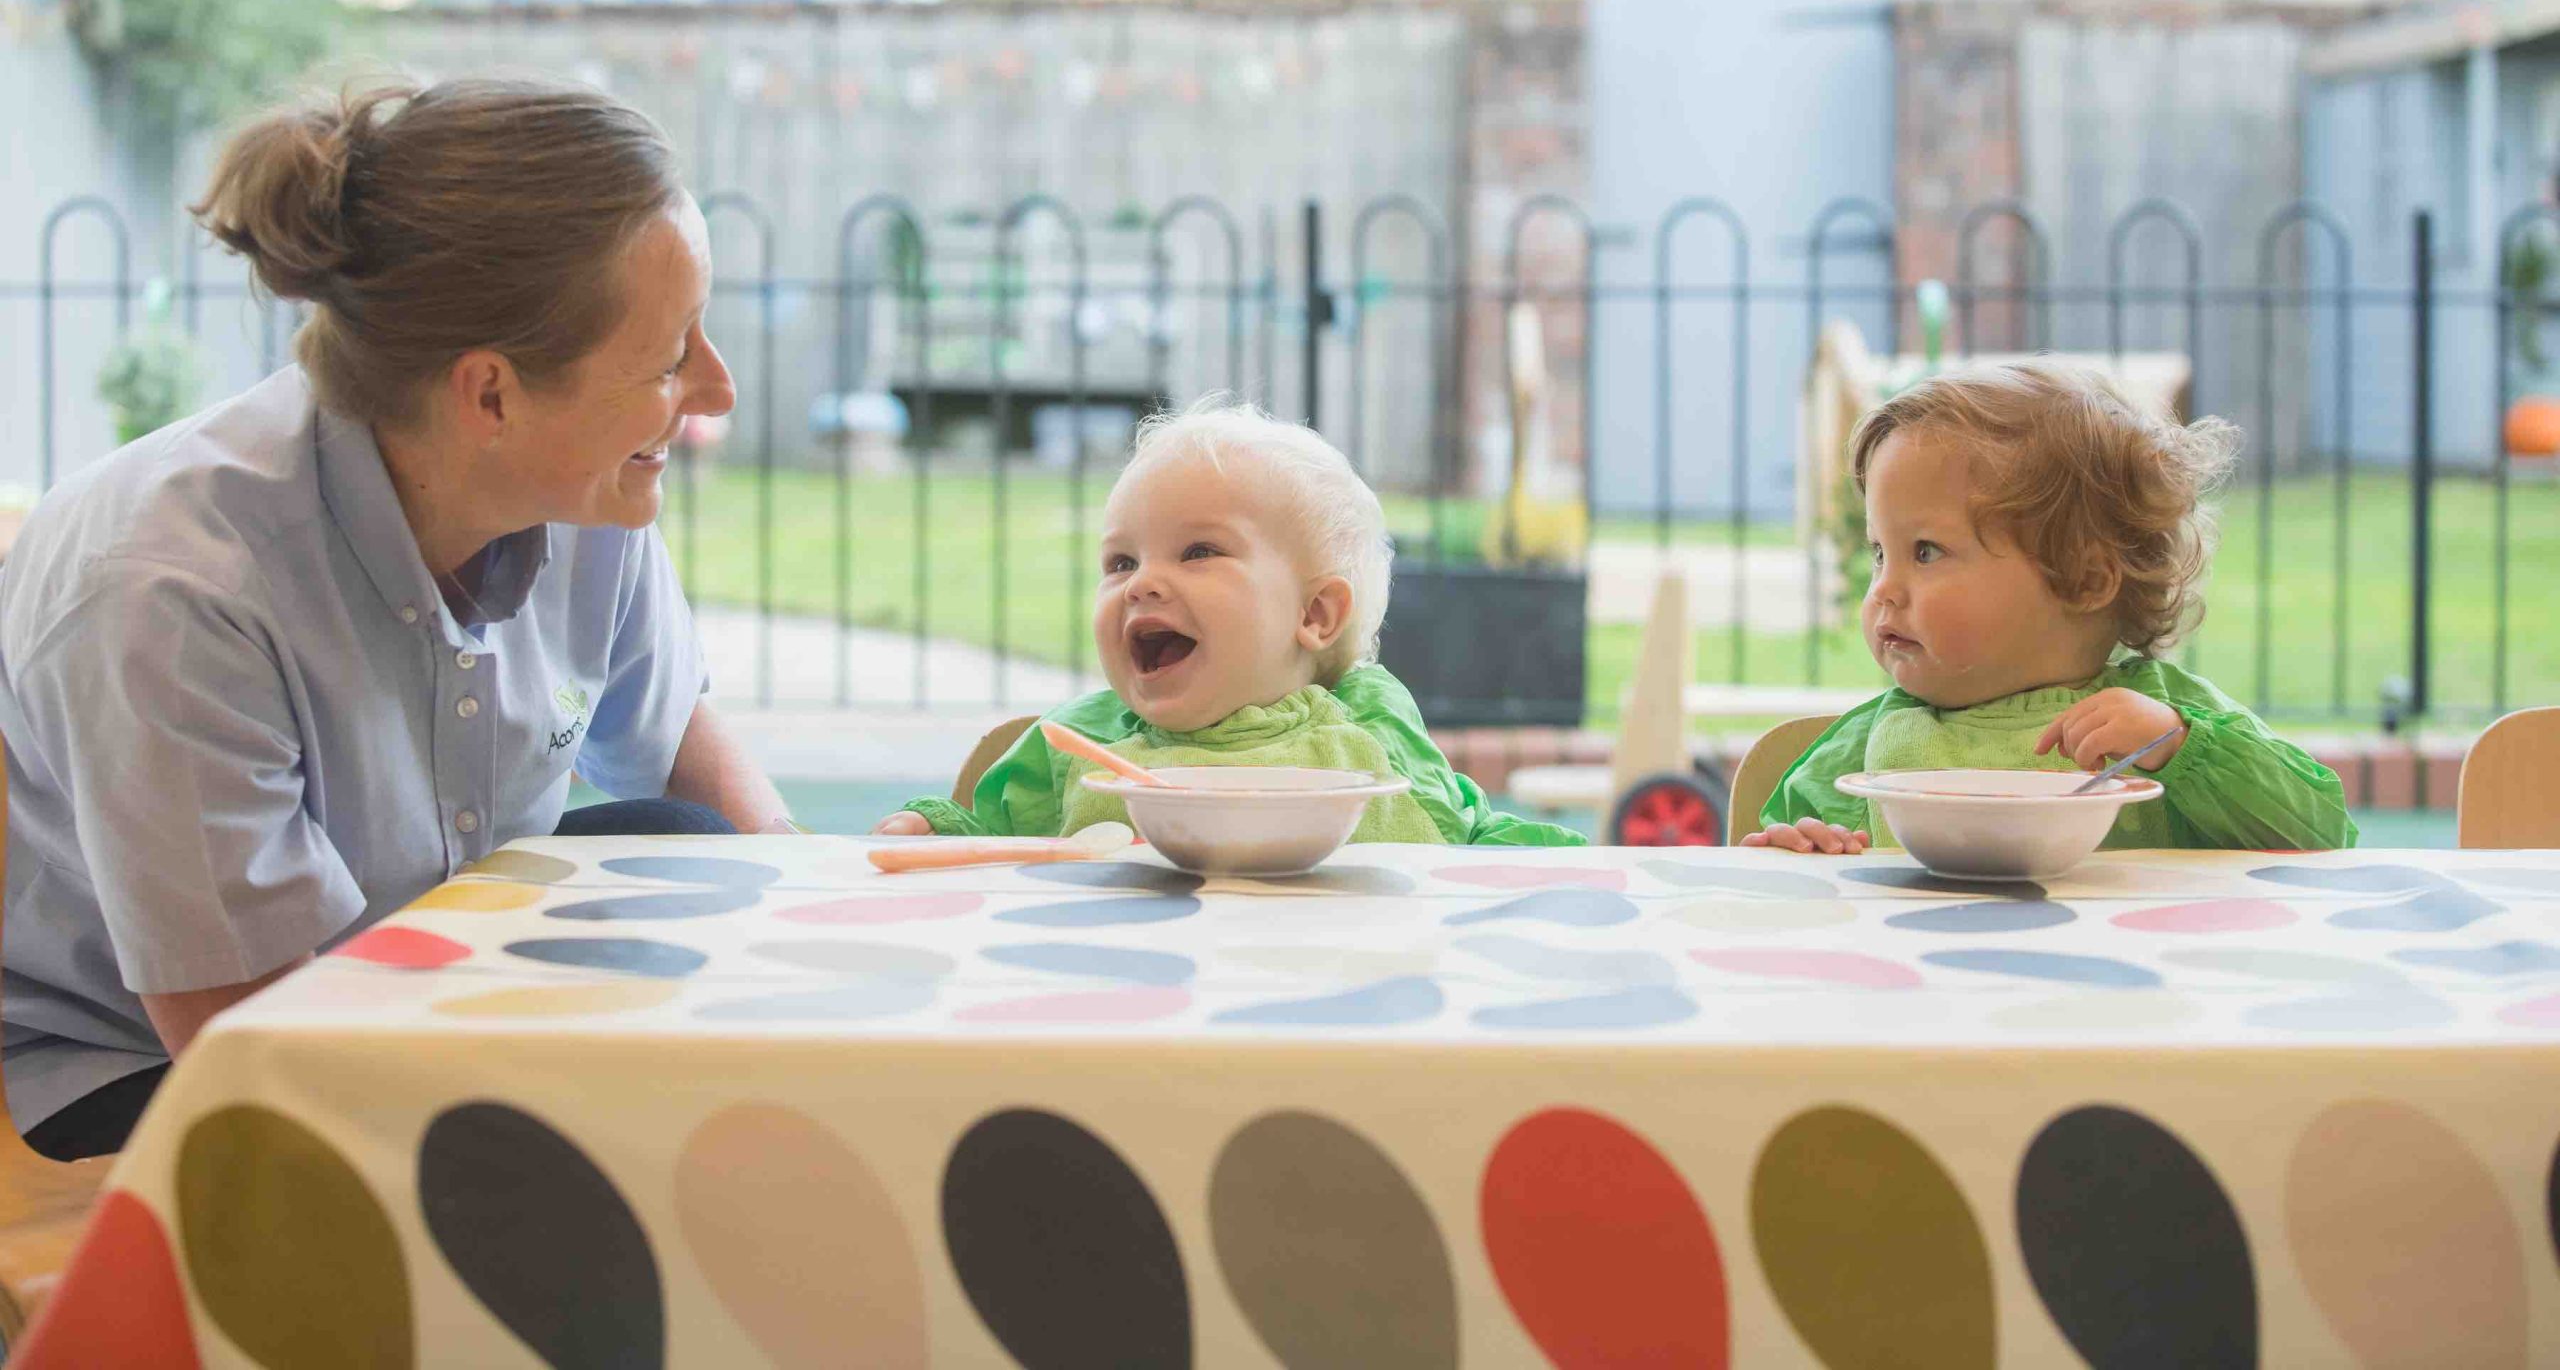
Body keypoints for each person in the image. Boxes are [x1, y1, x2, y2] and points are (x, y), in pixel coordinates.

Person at [1, 78, 795, 1158]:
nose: (715, 390)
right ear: (490, 395)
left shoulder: (586, 493)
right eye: (668, 357)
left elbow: (684, 766)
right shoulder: (172, 592)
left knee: (695, 858)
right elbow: (262, 1046)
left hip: (427, 963)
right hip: (161, 1061)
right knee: (565, 1159)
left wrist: (815, 969)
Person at [876, 400, 1582, 846]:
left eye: (1199, 551)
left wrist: (1555, 873)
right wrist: (931, 829)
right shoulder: (1078, 743)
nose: (1143, 581)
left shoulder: (1368, 724)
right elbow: (984, 842)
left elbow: (1466, 838)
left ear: (1314, 614)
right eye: (1120, 561)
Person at [1745, 362, 2353, 855]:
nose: (1883, 590)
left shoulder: (2165, 720)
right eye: (1881, 553)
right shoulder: (1870, 742)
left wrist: (2182, 746)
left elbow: (2324, 831)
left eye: (1925, 552)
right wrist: (1800, 848)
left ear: (2086, 578)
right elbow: (1777, 871)